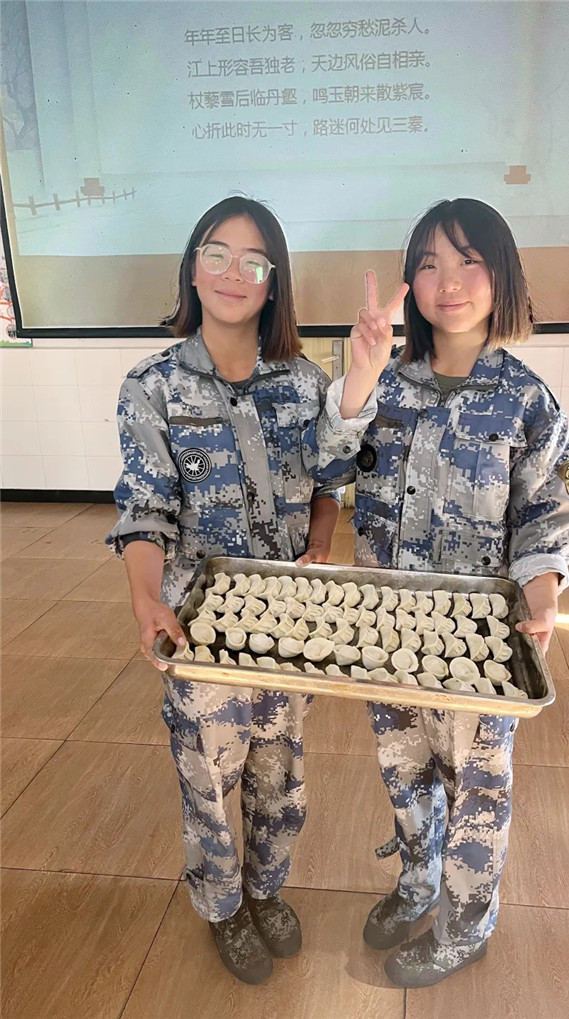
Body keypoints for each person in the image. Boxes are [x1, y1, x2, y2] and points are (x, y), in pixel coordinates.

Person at [308, 198, 569, 987]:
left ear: (502, 277)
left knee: (477, 786)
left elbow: (548, 512)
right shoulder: (384, 386)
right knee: (404, 768)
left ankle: (466, 924)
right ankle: (418, 879)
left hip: (479, 644)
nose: (448, 281)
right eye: (429, 264)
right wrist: (359, 379)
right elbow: (326, 467)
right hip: (389, 629)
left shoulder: (527, 400)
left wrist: (543, 594)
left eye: (468, 261)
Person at [107, 196, 341, 984]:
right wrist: (146, 598)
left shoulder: (305, 384)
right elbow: (144, 511)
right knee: (208, 775)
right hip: (200, 630)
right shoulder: (151, 387)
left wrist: (319, 544)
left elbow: (329, 485)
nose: (232, 273)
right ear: (192, 268)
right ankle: (223, 905)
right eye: (217, 254)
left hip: (287, 627)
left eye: (253, 260)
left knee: (280, 770)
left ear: (274, 282)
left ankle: (266, 888)